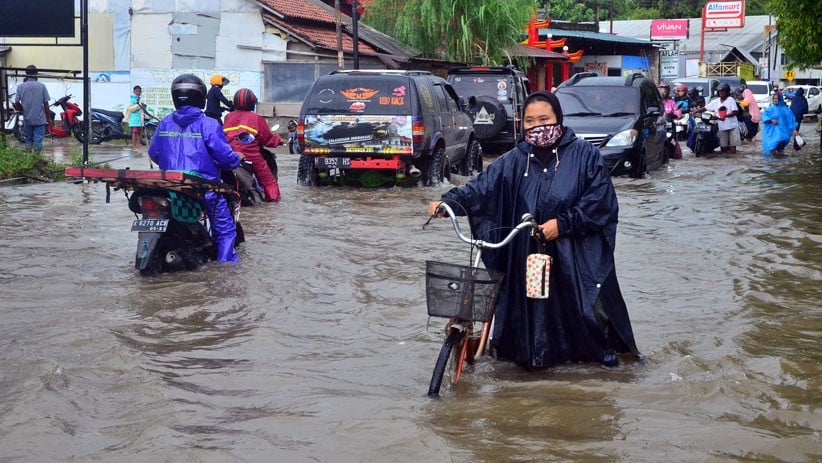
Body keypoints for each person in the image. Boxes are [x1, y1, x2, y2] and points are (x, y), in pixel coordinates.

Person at [425, 91, 641, 370]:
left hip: (570, 257)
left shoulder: (584, 155)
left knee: (582, 322)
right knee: (524, 319)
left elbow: (601, 202)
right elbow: (481, 189)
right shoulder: (515, 159)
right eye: (530, 120)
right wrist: (448, 203)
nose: (538, 126)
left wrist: (563, 224)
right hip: (524, 254)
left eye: (544, 119)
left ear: (558, 119)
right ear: (522, 124)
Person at [148, 73, 241, 263]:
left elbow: (153, 153)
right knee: (225, 232)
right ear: (201, 98)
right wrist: (236, 158)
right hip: (203, 190)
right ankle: (226, 271)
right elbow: (225, 158)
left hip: (168, 189)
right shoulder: (209, 124)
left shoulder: (164, 122)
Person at [223, 88, 283, 202]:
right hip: (250, 155)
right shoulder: (257, 118)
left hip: (230, 153)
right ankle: (273, 201)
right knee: (269, 181)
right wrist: (278, 140)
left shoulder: (228, 117)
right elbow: (267, 139)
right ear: (252, 103)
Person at [14, 65, 52, 154]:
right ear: (36, 74)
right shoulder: (42, 86)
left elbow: (16, 102)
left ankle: (28, 159)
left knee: (28, 139)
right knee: (38, 139)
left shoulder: (20, 87)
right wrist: (49, 118)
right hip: (39, 119)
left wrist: (22, 110)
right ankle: (35, 159)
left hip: (27, 118)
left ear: (26, 74)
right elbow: (46, 104)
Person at [694, 83, 740, 154]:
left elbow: (735, 111)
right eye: (720, 92)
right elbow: (705, 108)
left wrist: (726, 116)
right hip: (722, 126)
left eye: (723, 91)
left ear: (727, 92)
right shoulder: (716, 101)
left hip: (732, 126)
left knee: (733, 146)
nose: (721, 93)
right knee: (723, 146)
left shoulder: (730, 100)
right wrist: (695, 111)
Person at [760, 91, 797, 157]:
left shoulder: (786, 110)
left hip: (784, 133)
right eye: (774, 99)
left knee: (781, 149)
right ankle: (774, 163)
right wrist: (771, 120)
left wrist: (794, 129)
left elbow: (791, 120)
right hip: (772, 133)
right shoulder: (770, 109)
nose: (775, 100)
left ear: (780, 99)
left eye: (776, 98)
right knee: (772, 148)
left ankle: (781, 163)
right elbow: (764, 115)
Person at [124, 85, 144, 150]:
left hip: (139, 119)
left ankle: (138, 145)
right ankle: (134, 146)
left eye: (139, 91)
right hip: (134, 118)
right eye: (137, 91)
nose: (138, 92)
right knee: (134, 133)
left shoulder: (139, 99)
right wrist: (139, 105)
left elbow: (141, 108)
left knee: (139, 133)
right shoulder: (132, 99)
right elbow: (131, 109)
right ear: (134, 91)